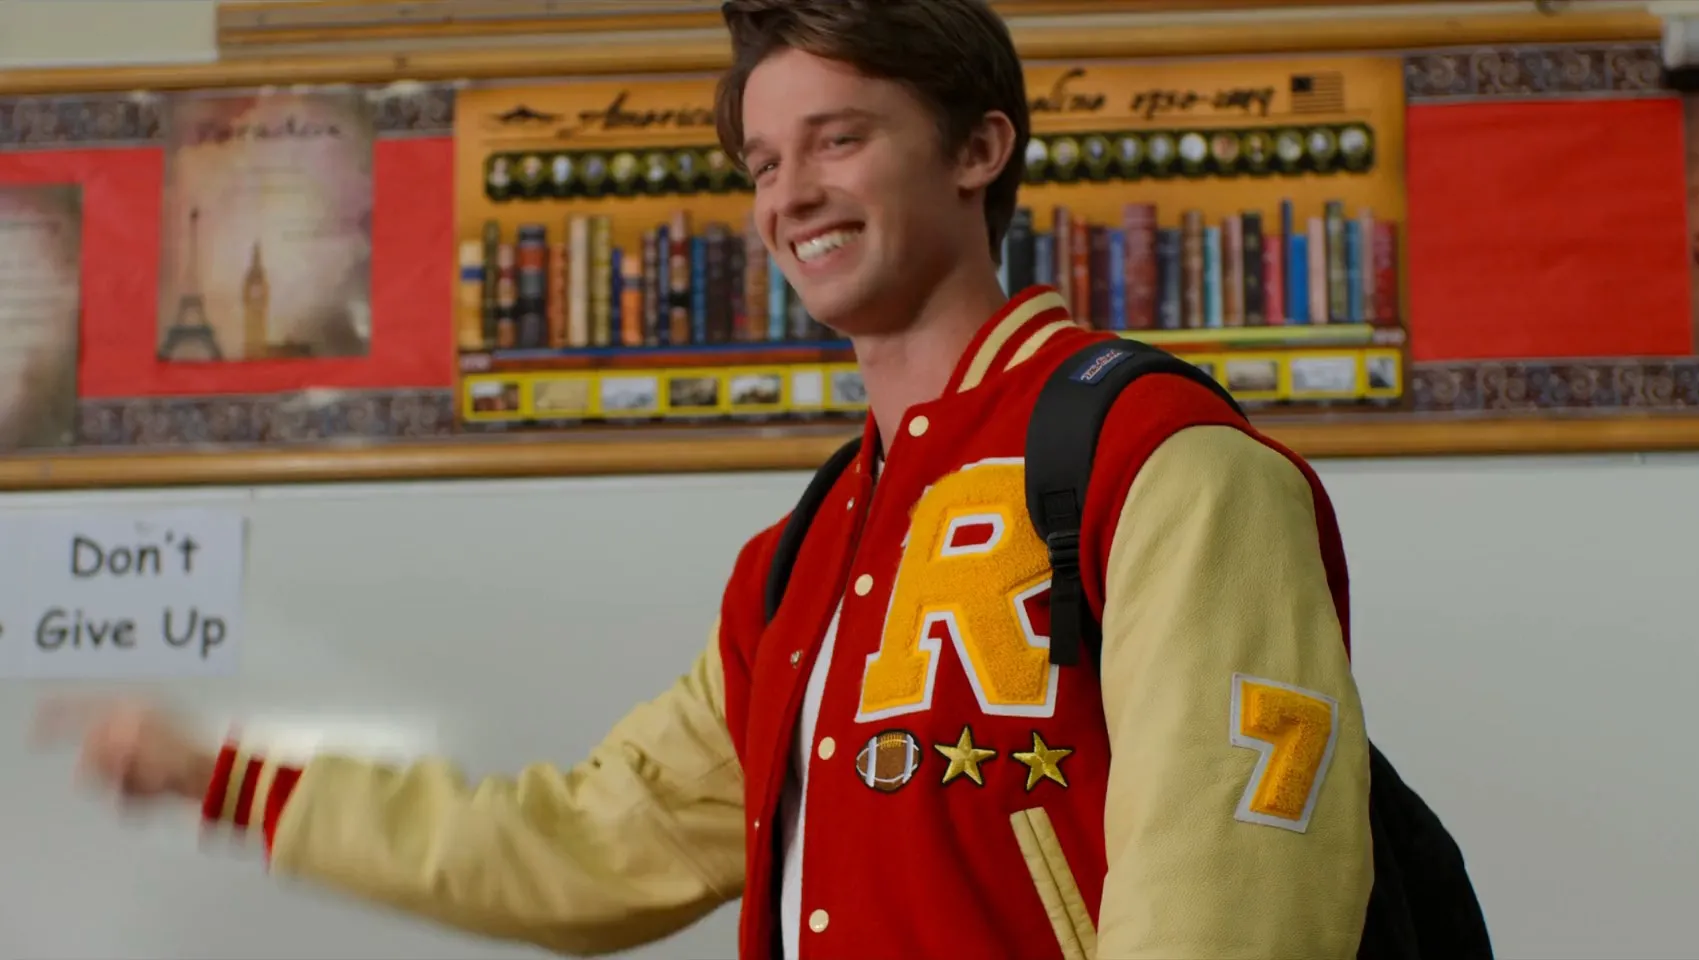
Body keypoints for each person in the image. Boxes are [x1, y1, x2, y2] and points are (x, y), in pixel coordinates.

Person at [34, 1, 1373, 957]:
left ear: (979, 151)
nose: (792, 196)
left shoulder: (1160, 463)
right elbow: (579, 845)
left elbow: (1235, 898)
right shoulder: (801, 561)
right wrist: (220, 778)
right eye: (765, 163)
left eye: (839, 140)